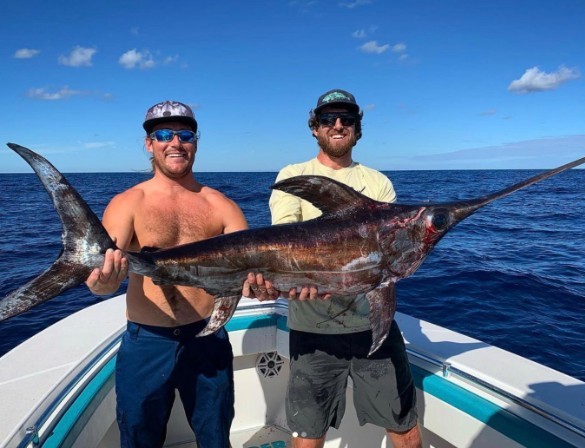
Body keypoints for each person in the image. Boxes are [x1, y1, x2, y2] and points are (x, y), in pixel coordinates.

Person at [85, 100, 248, 448]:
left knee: (216, 437)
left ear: (196, 142)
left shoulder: (222, 205)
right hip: (147, 341)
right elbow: (100, 275)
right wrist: (103, 282)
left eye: (185, 134)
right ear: (149, 144)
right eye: (163, 134)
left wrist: (261, 285)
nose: (175, 142)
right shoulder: (128, 202)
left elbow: (245, 273)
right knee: (139, 439)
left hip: (208, 337)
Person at [267, 89, 422, 447]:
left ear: (357, 128)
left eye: (347, 119)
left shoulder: (378, 183)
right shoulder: (294, 174)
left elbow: (387, 257)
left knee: (405, 428)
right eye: (328, 119)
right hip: (312, 328)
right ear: (315, 127)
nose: (338, 125)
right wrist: (285, 280)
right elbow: (281, 244)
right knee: (308, 434)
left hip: (374, 326)